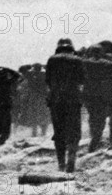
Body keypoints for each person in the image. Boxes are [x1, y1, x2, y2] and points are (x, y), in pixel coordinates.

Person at [46, 41, 86, 172]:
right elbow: (82, 79)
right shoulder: (77, 59)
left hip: (56, 100)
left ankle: (61, 163)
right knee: (74, 130)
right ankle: (72, 160)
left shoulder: (52, 59)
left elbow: (47, 80)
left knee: (59, 132)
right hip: (73, 99)